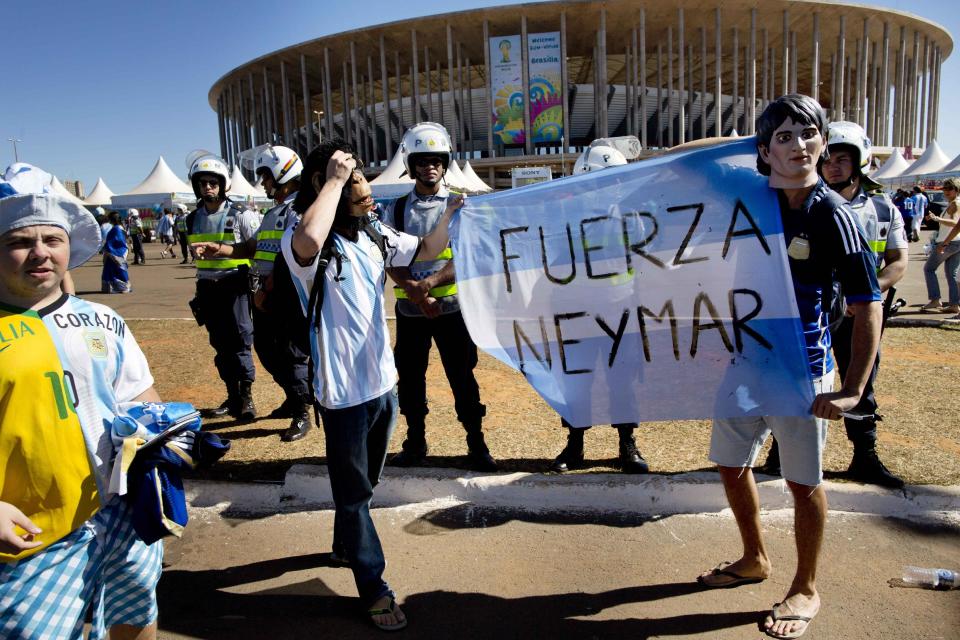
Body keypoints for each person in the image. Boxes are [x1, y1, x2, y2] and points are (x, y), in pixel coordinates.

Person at [697, 95, 882, 640]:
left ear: (824, 143)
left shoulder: (835, 215)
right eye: (783, 137)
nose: (799, 146)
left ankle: (805, 586)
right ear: (763, 150)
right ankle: (753, 558)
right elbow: (687, 160)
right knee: (731, 465)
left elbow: (866, 306)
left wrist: (852, 389)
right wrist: (736, 145)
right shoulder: (753, 196)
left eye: (808, 134)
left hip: (803, 372)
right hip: (745, 364)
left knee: (803, 482)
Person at [281, 139, 460, 632]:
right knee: (355, 493)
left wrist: (452, 211)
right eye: (355, 178)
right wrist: (335, 180)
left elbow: (426, 249)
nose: (366, 187)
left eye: (360, 177)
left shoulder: (373, 234)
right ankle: (373, 587)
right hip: (342, 395)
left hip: (384, 385)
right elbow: (307, 241)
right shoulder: (308, 244)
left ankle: (344, 544)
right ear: (327, 185)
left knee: (367, 481)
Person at [0, 163, 164, 639]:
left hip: (126, 513)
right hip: (35, 533)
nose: (39, 254)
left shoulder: (101, 319)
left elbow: (139, 395)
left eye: (51, 240)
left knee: (137, 611)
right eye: (18, 242)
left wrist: (164, 442)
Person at [761, 120, 907, 487]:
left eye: (844, 159)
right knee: (801, 383)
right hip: (822, 312)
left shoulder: (882, 208)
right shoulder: (800, 202)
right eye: (830, 159)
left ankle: (865, 455)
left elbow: (898, 260)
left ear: (859, 162)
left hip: (860, 312)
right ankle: (781, 453)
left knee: (862, 382)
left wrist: (867, 297)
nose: (834, 166)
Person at [384, 122, 496, 471]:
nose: (428, 167)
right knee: (411, 379)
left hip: (452, 312)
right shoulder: (396, 208)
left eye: (435, 160)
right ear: (411, 164)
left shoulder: (460, 206)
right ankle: (415, 443)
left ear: (445, 163)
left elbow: (467, 256)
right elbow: (388, 255)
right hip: (410, 312)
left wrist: (429, 284)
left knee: (462, 378)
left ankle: (477, 445)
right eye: (421, 160)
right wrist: (417, 295)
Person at [550, 144, 648, 475]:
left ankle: (627, 443)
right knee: (577, 382)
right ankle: (574, 444)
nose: (604, 189)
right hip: (580, 318)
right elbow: (558, 270)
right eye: (596, 182)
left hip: (621, 316)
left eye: (611, 180)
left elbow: (647, 266)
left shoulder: (633, 219)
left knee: (622, 381)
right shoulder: (567, 223)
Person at [185, 154, 260, 421]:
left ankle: (247, 398)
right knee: (220, 344)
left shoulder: (242, 215)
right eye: (203, 183)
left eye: (213, 183)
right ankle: (232, 396)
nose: (208, 187)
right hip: (208, 287)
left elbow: (255, 251)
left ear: (222, 185)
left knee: (241, 341)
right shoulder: (191, 218)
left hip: (235, 286)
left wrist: (223, 252)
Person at [250, 144, 313, 441]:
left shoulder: (298, 207)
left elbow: (289, 255)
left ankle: (302, 411)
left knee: (291, 354)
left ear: (282, 172)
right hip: (266, 295)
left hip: (284, 297)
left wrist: (269, 288)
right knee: (265, 348)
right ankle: (292, 394)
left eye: (266, 176)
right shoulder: (274, 210)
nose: (263, 182)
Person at [920, 177, 960, 314]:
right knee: (951, 274)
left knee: (929, 269)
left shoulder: (955, 203)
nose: (946, 191)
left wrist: (937, 219)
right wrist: (936, 218)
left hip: (949, 242)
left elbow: (955, 223)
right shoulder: (953, 203)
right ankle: (954, 304)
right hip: (955, 242)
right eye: (945, 188)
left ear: (957, 190)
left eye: (950, 188)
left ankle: (935, 299)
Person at [101, 210, 132, 294]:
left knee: (115, 270)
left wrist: (107, 250)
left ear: (111, 220)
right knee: (120, 270)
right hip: (121, 252)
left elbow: (112, 242)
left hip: (115, 253)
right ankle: (122, 287)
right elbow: (123, 240)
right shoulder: (121, 227)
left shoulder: (115, 229)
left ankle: (118, 288)